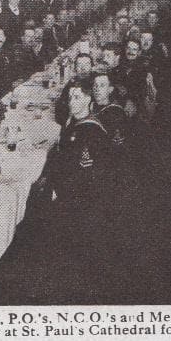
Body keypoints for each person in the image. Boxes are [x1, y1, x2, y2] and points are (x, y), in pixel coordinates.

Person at [41, 78, 115, 302]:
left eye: (78, 98)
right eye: (70, 97)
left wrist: (56, 190)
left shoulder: (90, 131)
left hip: (83, 201)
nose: (72, 102)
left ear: (89, 100)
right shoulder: (74, 121)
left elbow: (86, 175)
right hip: (71, 194)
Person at [54, 53, 95, 126]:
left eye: (87, 64)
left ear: (92, 67)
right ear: (75, 68)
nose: (83, 68)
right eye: (79, 65)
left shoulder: (96, 84)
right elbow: (61, 105)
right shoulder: (72, 83)